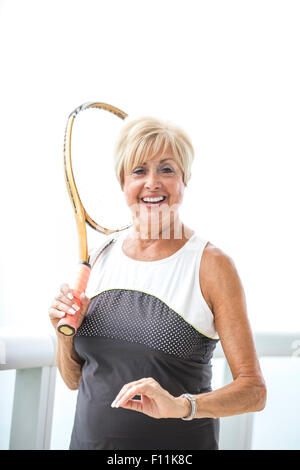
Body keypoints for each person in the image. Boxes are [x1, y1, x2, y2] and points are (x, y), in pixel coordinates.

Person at [49, 116, 267, 450]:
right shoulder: (98, 259)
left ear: (184, 181)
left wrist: (182, 406)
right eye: (139, 171)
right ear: (123, 182)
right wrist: (64, 334)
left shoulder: (211, 265)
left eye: (167, 170)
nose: (153, 183)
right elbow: (74, 379)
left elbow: (253, 391)